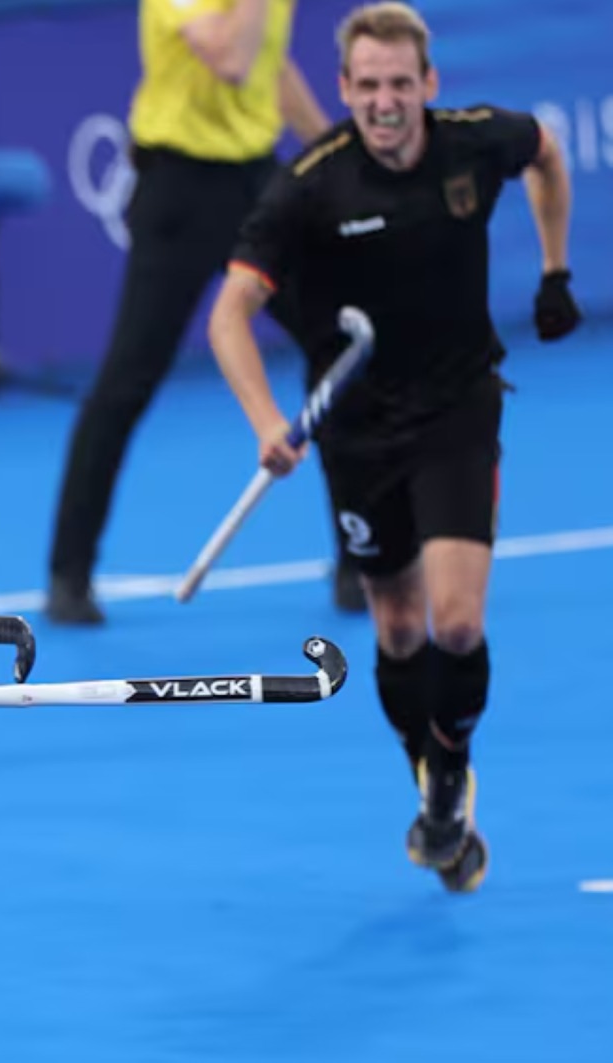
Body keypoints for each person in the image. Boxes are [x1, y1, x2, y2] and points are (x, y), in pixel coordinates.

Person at [206, 1, 579, 892]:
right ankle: (429, 773)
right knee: (400, 628)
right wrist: (266, 421)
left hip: (458, 406)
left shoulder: (478, 140)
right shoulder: (310, 186)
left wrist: (557, 268)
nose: (383, 101)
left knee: (455, 619)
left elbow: (549, 156)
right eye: (366, 85)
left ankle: (450, 771)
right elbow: (230, 315)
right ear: (343, 89)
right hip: (358, 429)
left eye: (399, 84)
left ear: (428, 84)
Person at [46, 0, 356, 625]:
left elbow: (270, 64)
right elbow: (231, 58)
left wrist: (334, 154)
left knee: (335, 350)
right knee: (128, 378)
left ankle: (361, 555)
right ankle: (68, 573)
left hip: (258, 180)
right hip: (180, 189)